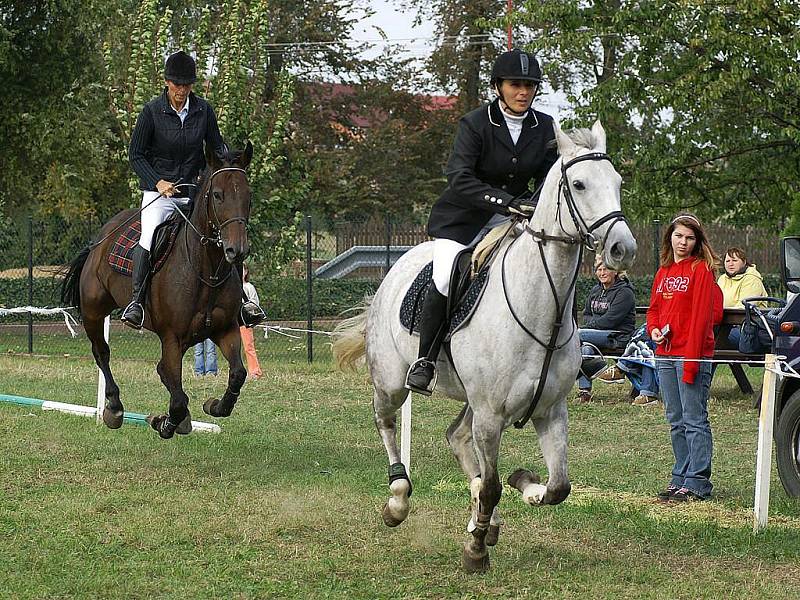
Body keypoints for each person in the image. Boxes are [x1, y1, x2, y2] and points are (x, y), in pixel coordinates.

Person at [405, 48, 559, 395]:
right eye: (515, 85)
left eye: (530, 86)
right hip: (462, 221)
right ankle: (425, 360)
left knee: (546, 269)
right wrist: (506, 202)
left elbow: (549, 175)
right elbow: (458, 177)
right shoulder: (475, 123)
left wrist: (533, 205)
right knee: (445, 277)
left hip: (513, 222)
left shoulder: (545, 126)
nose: (523, 92)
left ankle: (564, 351)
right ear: (498, 86)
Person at [122, 50, 265, 330]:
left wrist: (228, 162)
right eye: (177, 85)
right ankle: (137, 303)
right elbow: (135, 155)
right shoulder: (151, 112)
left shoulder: (204, 110)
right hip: (159, 194)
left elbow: (216, 144)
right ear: (167, 82)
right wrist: (157, 182)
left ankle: (244, 303)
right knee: (149, 237)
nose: (182, 91)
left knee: (226, 233)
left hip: (194, 191)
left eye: (187, 85)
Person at [647, 213, 723, 502]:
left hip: (692, 355)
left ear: (697, 241)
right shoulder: (663, 272)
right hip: (665, 354)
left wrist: (691, 364)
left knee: (694, 419)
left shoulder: (701, 270)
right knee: (675, 418)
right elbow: (653, 310)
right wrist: (653, 330)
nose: (683, 242)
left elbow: (702, 320)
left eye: (689, 238)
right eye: (679, 236)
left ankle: (698, 481)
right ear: (670, 237)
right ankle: (680, 475)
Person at [575, 256, 636, 403]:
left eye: (606, 269)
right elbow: (587, 314)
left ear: (615, 271)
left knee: (575, 335)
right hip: (595, 335)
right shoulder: (596, 290)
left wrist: (590, 327)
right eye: (599, 270)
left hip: (617, 336)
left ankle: (597, 369)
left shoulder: (624, 292)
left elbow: (611, 320)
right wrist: (592, 326)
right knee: (585, 350)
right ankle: (585, 392)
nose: (602, 273)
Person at [716, 247, 769, 347]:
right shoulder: (722, 279)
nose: (730, 264)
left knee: (709, 338)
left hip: (749, 331)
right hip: (724, 326)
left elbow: (746, 306)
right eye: (727, 261)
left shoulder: (752, 279)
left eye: (734, 260)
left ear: (744, 262)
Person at [240, 265, 263, 380]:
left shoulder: (249, 287)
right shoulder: (232, 287)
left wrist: (243, 308)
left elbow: (255, 303)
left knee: (248, 346)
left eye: (242, 270)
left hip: (244, 321)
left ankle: (255, 371)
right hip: (233, 322)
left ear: (246, 272)